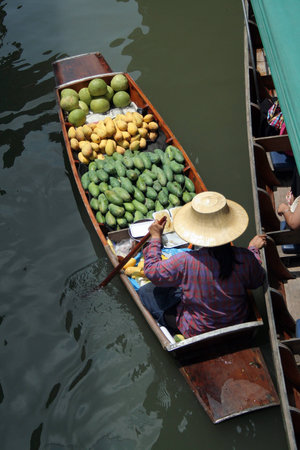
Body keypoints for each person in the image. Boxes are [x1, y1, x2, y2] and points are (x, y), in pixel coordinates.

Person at [139, 191, 266, 339]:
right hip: (237, 321)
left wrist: (155, 238)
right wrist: (253, 250)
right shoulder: (245, 257)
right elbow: (257, 280)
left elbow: (152, 271)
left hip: (197, 329)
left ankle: (173, 331)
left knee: (145, 293)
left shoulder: (185, 261)